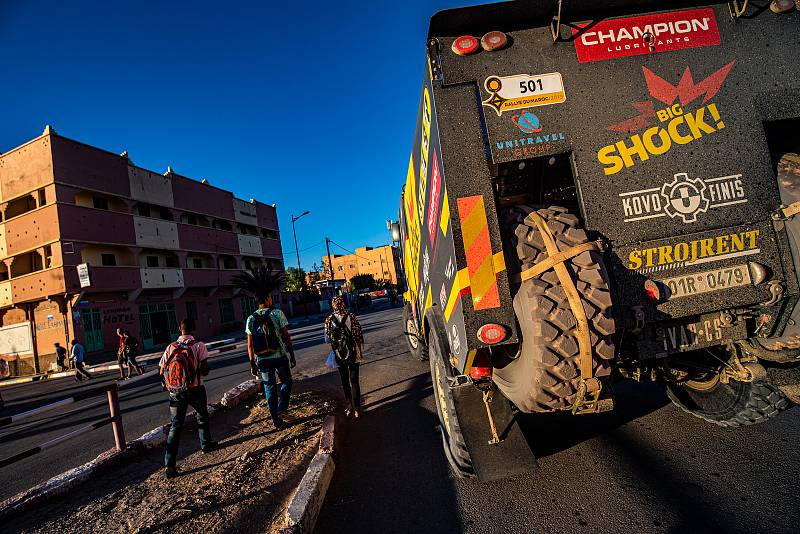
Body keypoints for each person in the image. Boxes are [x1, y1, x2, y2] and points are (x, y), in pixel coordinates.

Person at [159, 318, 217, 479]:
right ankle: (206, 444)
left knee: (175, 426)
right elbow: (205, 370)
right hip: (196, 389)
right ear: (194, 329)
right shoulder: (199, 346)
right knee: (202, 415)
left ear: (179, 329)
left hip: (176, 392)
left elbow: (161, 369)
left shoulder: (171, 347)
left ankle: (169, 463)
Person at [246, 292, 296, 429]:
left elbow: (250, 345)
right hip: (279, 356)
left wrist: (252, 363)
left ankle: (275, 420)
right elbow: (286, 336)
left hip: (262, 360)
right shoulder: (277, 313)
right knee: (286, 381)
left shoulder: (250, 318)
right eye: (270, 298)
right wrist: (291, 354)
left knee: (269, 388)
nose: (271, 300)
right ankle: (282, 407)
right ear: (267, 299)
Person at [325, 296, 365, 418]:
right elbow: (358, 333)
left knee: (345, 380)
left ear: (333, 305)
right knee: (355, 381)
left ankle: (349, 405)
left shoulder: (329, 319)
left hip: (339, 354)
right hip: (352, 352)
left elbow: (327, 339)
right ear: (343, 303)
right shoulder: (351, 316)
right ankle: (357, 409)